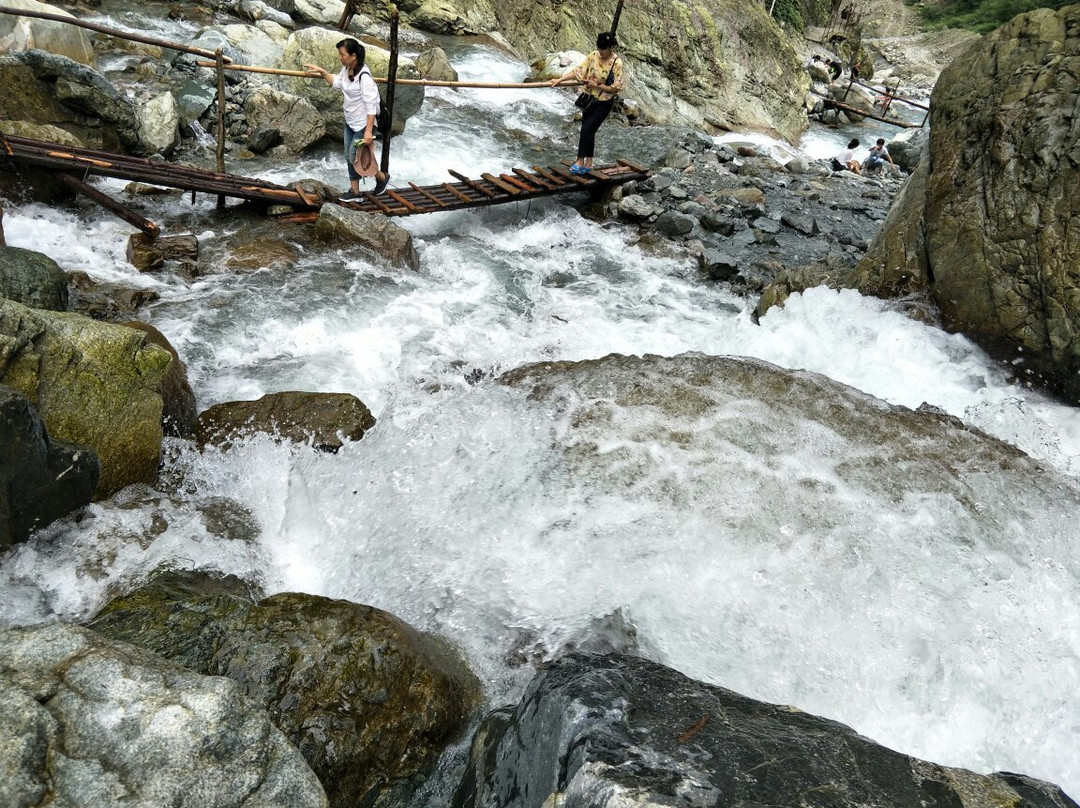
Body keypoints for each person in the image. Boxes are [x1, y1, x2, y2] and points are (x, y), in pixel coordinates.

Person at [304, 38, 390, 200]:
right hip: (351, 122)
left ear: (353, 56)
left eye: (342, 54)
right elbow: (337, 83)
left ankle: (381, 178)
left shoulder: (364, 77)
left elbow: (371, 106)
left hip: (363, 125)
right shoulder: (347, 70)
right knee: (348, 155)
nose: (340, 57)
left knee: (354, 157)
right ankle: (355, 192)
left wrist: (369, 131)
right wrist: (323, 72)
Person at [549, 31, 624, 174]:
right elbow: (579, 71)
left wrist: (596, 85)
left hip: (604, 102)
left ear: (610, 47)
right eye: (599, 48)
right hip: (589, 100)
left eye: (604, 49)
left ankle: (579, 160)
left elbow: (616, 88)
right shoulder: (593, 56)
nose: (601, 52)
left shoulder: (616, 63)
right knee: (589, 131)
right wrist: (559, 80)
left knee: (586, 129)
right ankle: (589, 163)